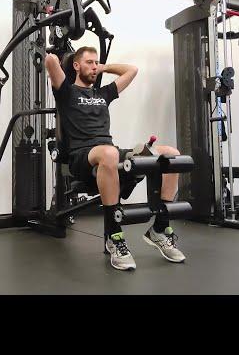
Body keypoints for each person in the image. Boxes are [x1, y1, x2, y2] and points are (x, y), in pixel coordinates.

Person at [45, 46, 186, 271]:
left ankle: (160, 228)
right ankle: (114, 235)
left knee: (171, 154)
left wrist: (104, 67)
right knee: (109, 153)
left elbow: (132, 70)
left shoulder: (103, 94)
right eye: (89, 62)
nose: (94, 66)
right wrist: (59, 55)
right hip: (82, 156)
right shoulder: (67, 92)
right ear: (76, 65)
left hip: (109, 151)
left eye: (96, 62)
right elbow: (51, 61)